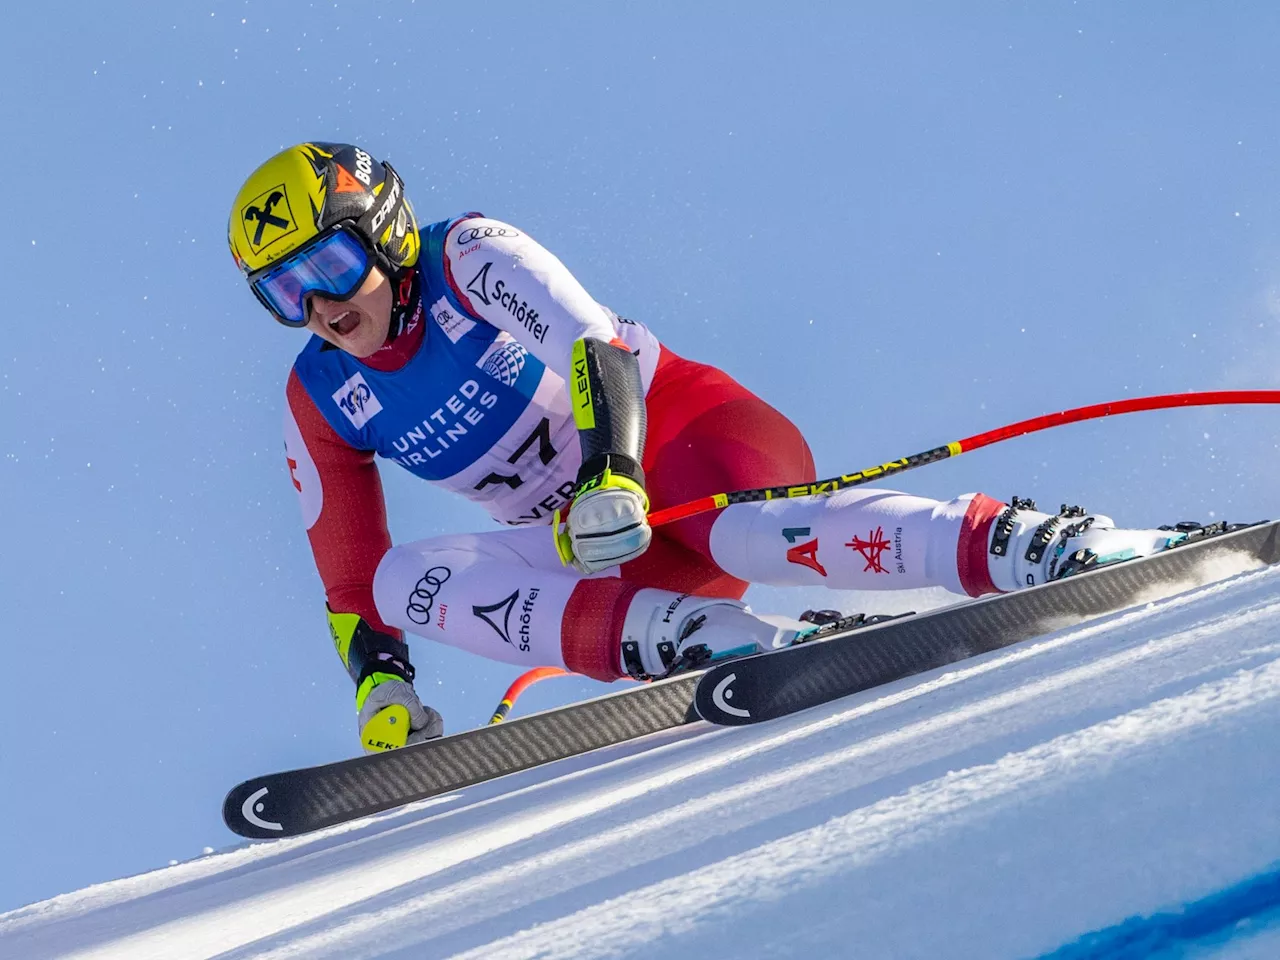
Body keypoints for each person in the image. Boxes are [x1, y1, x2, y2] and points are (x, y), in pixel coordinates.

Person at [228, 142, 1188, 753]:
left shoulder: (468, 257)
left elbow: (591, 345)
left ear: (383, 235)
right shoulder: (320, 395)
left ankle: (1040, 548)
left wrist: (613, 468)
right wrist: (380, 697)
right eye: (285, 294)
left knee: (745, 537)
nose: (320, 307)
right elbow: (350, 578)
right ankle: (706, 644)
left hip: (684, 445)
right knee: (406, 583)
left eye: (329, 266)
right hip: (598, 548)